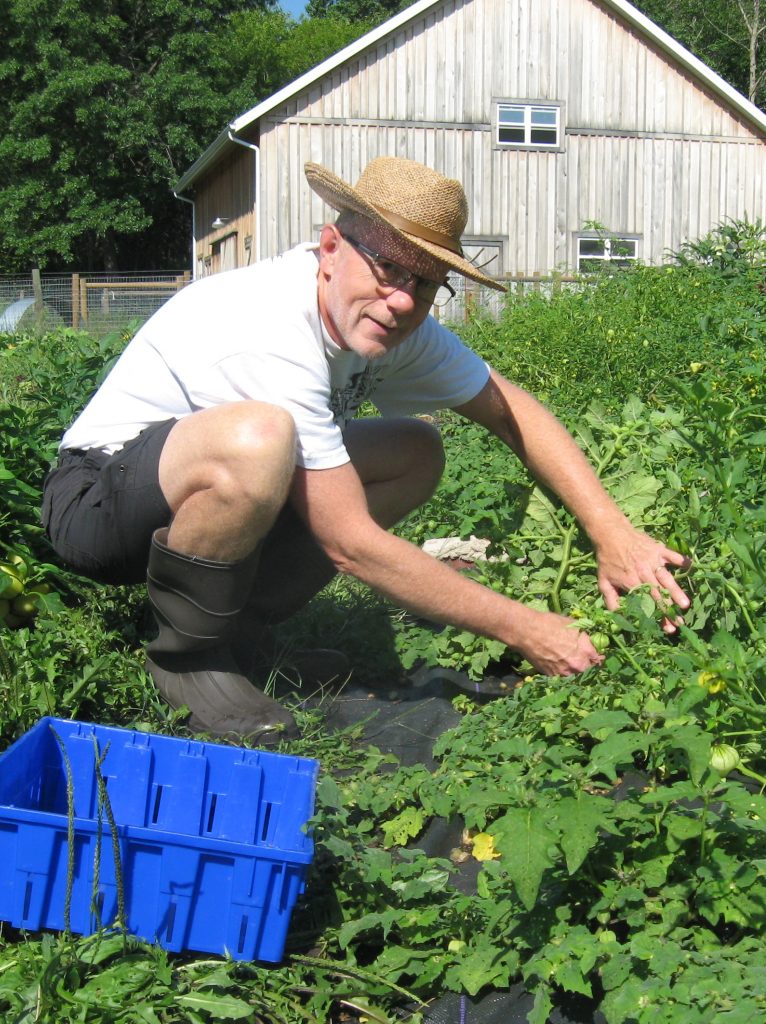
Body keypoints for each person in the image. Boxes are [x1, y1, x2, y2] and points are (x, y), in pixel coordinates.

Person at [41, 156, 690, 745]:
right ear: (330, 248)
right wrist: (526, 628)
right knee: (261, 437)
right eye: (387, 267)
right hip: (99, 499)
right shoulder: (269, 324)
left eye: (427, 282)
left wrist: (613, 532)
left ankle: (244, 634)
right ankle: (189, 656)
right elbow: (351, 543)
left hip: (200, 495)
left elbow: (510, 407)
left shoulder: (392, 321)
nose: (403, 298)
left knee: (415, 450)